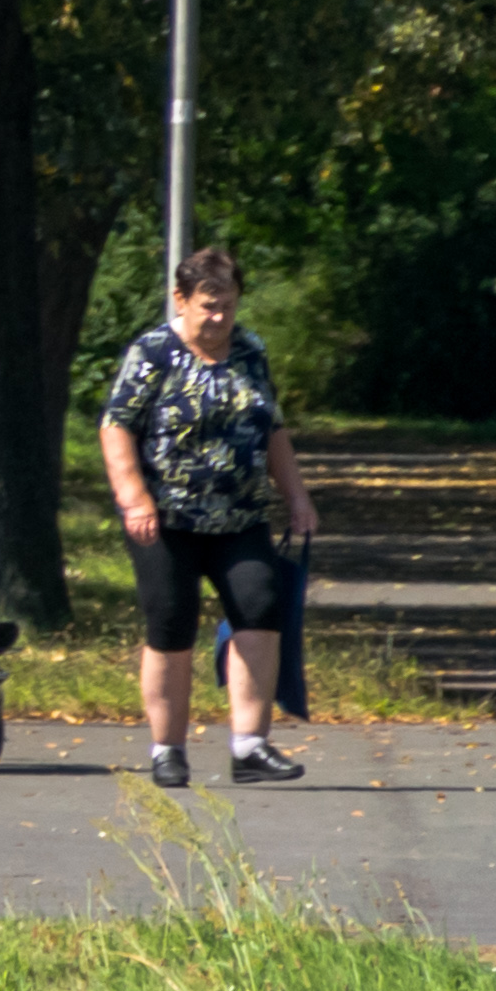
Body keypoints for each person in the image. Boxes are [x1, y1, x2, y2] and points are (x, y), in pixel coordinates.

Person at [100, 242, 317, 790]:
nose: (219, 318)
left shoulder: (249, 351)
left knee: (260, 605)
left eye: (228, 305)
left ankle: (250, 745)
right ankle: (167, 749)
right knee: (170, 621)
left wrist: (296, 496)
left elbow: (273, 429)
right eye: (208, 306)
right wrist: (134, 497)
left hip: (240, 515)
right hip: (166, 519)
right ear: (182, 299)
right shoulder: (152, 353)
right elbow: (117, 425)